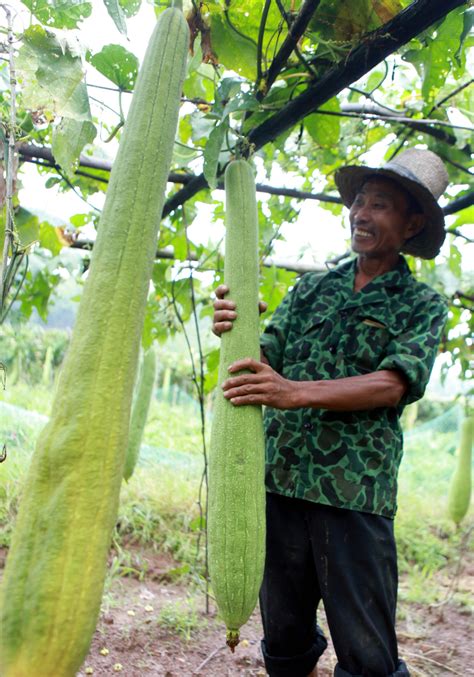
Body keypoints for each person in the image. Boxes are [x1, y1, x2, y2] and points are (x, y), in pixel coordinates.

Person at [212, 148, 450, 677]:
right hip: (280, 484)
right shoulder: (311, 289)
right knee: (286, 638)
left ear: (412, 224)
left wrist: (294, 392)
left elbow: (392, 384)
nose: (361, 214)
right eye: (359, 202)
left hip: (353, 496)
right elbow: (263, 359)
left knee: (366, 652)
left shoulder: (421, 305)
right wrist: (235, 322)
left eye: (380, 205)